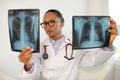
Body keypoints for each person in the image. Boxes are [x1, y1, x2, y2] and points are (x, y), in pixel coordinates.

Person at [18, 9, 118, 80]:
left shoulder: (75, 47)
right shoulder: (38, 47)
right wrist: (27, 64)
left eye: (52, 22)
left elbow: (93, 60)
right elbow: (32, 77)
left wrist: (108, 43)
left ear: (62, 23)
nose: (47, 27)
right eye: (45, 23)